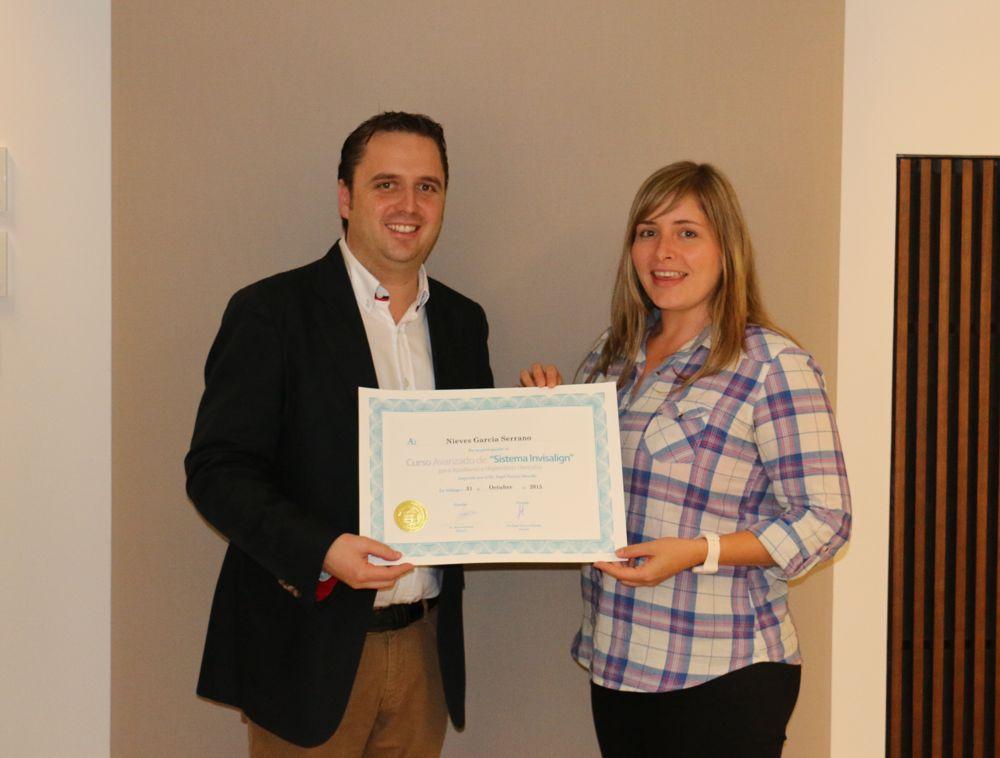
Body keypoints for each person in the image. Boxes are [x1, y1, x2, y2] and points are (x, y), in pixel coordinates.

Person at [185, 111, 493, 756]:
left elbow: (475, 471)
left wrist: (539, 425)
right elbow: (218, 471)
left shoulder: (463, 323)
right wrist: (323, 549)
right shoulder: (271, 312)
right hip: (307, 647)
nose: (409, 205)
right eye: (386, 184)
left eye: (427, 186)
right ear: (346, 197)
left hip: (425, 648)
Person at [521, 161, 850, 758]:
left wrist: (699, 551)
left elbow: (826, 520)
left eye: (687, 232)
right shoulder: (610, 355)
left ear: (727, 249)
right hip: (618, 660)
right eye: (647, 232)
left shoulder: (771, 366)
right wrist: (544, 423)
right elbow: (584, 496)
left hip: (723, 672)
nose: (663, 251)